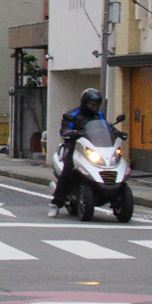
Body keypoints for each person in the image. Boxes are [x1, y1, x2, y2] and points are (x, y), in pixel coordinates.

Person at [48, 88, 105, 217]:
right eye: (92, 104)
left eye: (96, 105)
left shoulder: (99, 115)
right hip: (75, 148)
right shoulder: (72, 114)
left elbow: (106, 127)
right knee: (68, 171)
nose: (94, 107)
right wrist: (71, 132)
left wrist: (116, 132)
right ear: (85, 103)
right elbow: (64, 130)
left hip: (95, 148)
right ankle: (56, 203)